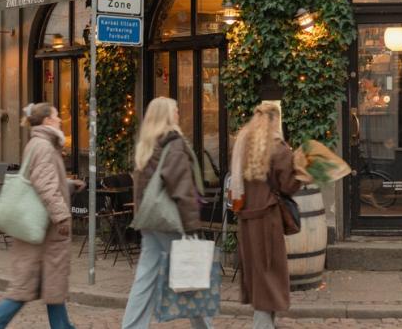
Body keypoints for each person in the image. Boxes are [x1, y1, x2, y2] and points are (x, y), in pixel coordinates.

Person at [0, 103, 82, 329]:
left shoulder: (40, 144)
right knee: (27, 287)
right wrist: (62, 216)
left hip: (43, 229)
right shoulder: (43, 146)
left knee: (50, 286)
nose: (60, 119)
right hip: (43, 229)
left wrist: (69, 185)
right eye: (56, 116)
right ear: (46, 121)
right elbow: (43, 182)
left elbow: (42, 180)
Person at [121, 97, 213, 329]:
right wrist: (191, 225)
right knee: (191, 276)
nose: (179, 113)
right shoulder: (174, 143)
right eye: (176, 110)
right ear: (167, 115)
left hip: (150, 221)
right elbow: (181, 187)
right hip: (170, 220)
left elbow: (141, 189)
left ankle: (131, 326)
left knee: (145, 279)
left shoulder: (147, 145)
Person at [230, 102, 312, 329]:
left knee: (259, 276)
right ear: (276, 120)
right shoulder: (278, 147)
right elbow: (287, 186)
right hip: (268, 220)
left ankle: (264, 324)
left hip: (247, 220)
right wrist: (303, 170)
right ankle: (262, 326)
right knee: (270, 275)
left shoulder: (243, 145)